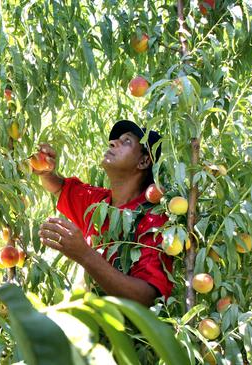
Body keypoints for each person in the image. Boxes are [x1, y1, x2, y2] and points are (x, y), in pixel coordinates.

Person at [36, 120, 173, 307]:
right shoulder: (98, 203)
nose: (113, 143)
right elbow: (59, 187)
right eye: (115, 140)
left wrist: (84, 254)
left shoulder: (153, 220)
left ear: (143, 161)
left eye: (126, 142)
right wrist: (45, 171)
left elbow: (147, 296)